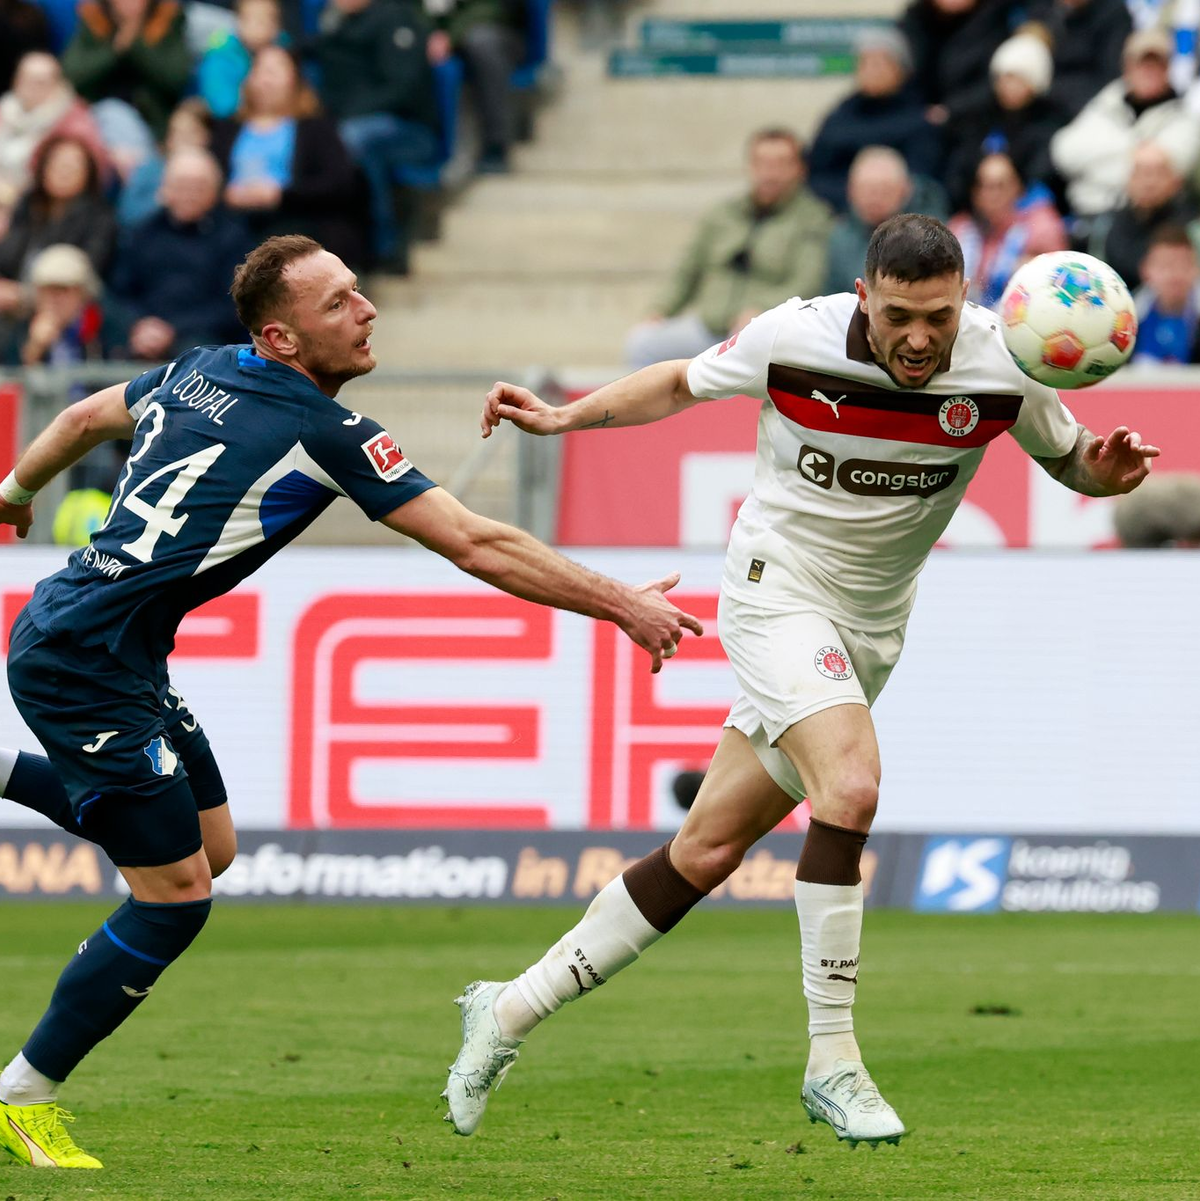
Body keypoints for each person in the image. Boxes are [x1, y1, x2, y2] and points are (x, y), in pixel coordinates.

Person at [447, 213, 1159, 1148]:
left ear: (964, 301)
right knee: (851, 786)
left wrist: (1104, 475)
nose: (919, 339)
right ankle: (834, 1060)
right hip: (774, 591)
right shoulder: (796, 336)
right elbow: (678, 381)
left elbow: (1073, 460)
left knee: (706, 850)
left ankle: (505, 1009)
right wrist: (562, 416)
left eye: (938, 317)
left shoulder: (1004, 360)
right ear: (864, 297)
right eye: (899, 316)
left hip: (872, 629)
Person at [0, 232, 703, 1169]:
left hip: (105, 644)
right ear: (282, 338)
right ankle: (23, 1093)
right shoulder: (325, 431)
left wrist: (15, 491)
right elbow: (475, 542)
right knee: (174, 898)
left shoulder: (200, 368)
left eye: (359, 290)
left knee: (212, 846)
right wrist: (621, 603)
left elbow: (87, 414)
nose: (366, 310)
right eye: (337, 302)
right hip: (83, 664)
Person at [625, 128, 832, 370]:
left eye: (780, 164)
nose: (770, 173)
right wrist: (660, 310)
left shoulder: (814, 219)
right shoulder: (722, 214)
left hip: (766, 334)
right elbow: (687, 271)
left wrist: (763, 311)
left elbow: (807, 282)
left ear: (800, 169)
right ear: (750, 167)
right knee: (644, 343)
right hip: (708, 328)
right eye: (761, 163)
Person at [210, 45, 369, 269]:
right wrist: (227, 194)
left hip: (297, 220)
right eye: (261, 70)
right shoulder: (228, 128)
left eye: (275, 71)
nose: (267, 79)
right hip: (234, 220)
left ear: (295, 80)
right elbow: (211, 174)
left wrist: (280, 195)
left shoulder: (316, 128)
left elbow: (340, 183)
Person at [314, 0, 440, 269]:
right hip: (348, 123)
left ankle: (383, 243)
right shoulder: (334, 22)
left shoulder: (397, 19)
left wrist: (347, 117)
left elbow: (403, 88)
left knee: (351, 138)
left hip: (409, 130)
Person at [108, 147, 251, 358]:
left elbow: (234, 306)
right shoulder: (142, 233)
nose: (189, 195)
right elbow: (120, 292)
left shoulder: (232, 238)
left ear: (215, 192)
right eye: (181, 185)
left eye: (199, 187)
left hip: (205, 341)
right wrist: (139, 325)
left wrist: (174, 330)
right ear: (164, 190)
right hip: (143, 334)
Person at [1050, 26, 1200, 219]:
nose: (1149, 72)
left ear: (1168, 69)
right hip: (1086, 216)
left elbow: (1158, 176)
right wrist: (1135, 148)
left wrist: (1093, 166)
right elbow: (1063, 152)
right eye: (1142, 64)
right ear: (1127, 67)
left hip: (1149, 220)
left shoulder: (1184, 118)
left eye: (1157, 64)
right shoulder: (1105, 103)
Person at [807, 26, 942, 213]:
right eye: (865, 63)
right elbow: (817, 174)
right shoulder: (840, 117)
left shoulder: (921, 118)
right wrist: (857, 199)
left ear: (901, 69)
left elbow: (924, 181)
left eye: (881, 63)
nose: (872, 71)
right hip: (842, 215)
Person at [942, 32, 1065, 212]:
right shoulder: (980, 118)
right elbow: (959, 172)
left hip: (1025, 211)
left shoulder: (1048, 124)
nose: (1008, 86)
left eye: (1018, 79)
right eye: (1004, 77)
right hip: (975, 212)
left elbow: (1041, 176)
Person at [0, 136, 116, 320]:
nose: (63, 172)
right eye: (57, 164)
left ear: (88, 173)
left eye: (72, 167)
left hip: (61, 314)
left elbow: (83, 276)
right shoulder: (28, 204)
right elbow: (6, 257)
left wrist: (23, 296)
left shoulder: (100, 219)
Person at [0, 52, 110, 223]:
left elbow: (85, 177)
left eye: (41, 82)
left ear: (57, 84)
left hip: (42, 208)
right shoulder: (6, 109)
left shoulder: (75, 123)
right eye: (26, 79)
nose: (32, 87)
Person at [949, 151, 1068, 308]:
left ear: (1018, 187)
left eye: (1000, 186)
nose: (992, 195)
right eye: (984, 186)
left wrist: (1033, 270)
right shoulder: (959, 228)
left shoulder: (1041, 226)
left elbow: (1059, 285)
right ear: (974, 193)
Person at [61, 0, 192, 141]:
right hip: (97, 119)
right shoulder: (95, 20)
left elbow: (176, 78)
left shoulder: (166, 20)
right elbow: (72, 76)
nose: (130, 3)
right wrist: (114, 51)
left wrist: (136, 45)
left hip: (153, 125)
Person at [823, 147, 947, 294]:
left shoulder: (928, 235)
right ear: (850, 191)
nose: (874, 198)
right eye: (866, 190)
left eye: (884, 190)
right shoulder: (839, 236)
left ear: (905, 190)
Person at [426, 0, 526, 174]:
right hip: (435, 36)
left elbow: (491, 8)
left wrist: (450, 36)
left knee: (482, 43)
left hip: (493, 30)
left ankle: (496, 143)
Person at [1088, 139, 1198, 287]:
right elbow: (1097, 276)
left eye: (1159, 173)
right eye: (1140, 172)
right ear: (1128, 179)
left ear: (1176, 180)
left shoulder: (1192, 227)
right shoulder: (1107, 224)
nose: (1149, 182)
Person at [198, 0, 284, 119]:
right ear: (239, 21)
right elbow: (222, 106)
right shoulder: (221, 56)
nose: (264, 26)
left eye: (271, 19)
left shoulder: (283, 51)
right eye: (256, 19)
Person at [1131, 222, 1200, 362]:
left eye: (1184, 265)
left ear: (1197, 269)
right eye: (1165, 265)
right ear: (1145, 270)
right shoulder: (1127, 317)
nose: (1174, 275)